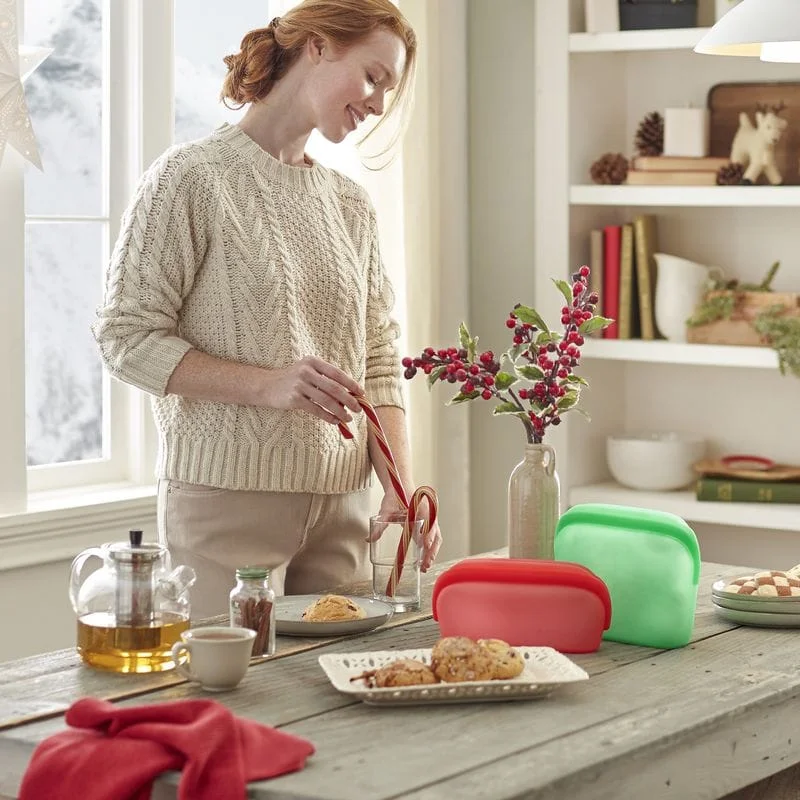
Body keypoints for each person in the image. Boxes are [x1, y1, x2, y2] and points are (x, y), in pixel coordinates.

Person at [92, 0, 441, 619]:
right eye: (372, 77)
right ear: (319, 45)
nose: (378, 104)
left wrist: (397, 486)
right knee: (231, 699)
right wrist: (268, 386)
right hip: (226, 502)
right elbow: (125, 337)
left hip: (344, 511)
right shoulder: (190, 178)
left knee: (335, 707)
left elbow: (381, 360)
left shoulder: (351, 205)